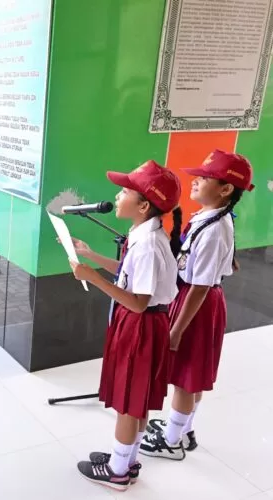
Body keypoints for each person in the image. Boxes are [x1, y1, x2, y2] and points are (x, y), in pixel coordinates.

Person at [67, 160, 181, 491]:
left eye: (125, 191)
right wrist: (92, 256)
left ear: (144, 205)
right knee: (137, 398)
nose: (117, 196)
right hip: (146, 323)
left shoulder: (147, 244)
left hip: (140, 325)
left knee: (129, 402)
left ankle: (117, 472)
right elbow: (130, 273)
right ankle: (126, 460)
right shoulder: (148, 233)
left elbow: (137, 301)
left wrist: (93, 277)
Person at [140, 151, 255, 459]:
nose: (195, 182)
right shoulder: (213, 217)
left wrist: (176, 331)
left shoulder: (216, 228)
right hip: (194, 297)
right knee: (192, 373)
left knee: (185, 378)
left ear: (225, 189)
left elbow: (201, 286)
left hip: (196, 305)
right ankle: (184, 427)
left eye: (203, 179)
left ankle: (172, 441)